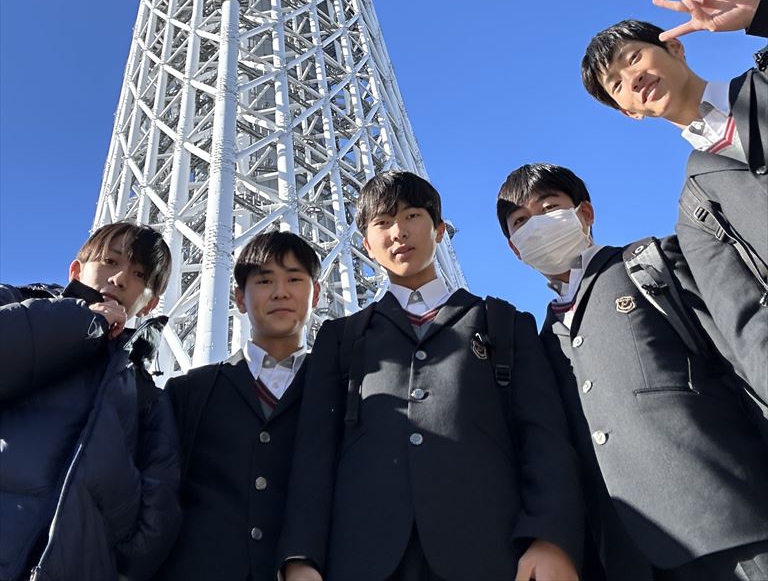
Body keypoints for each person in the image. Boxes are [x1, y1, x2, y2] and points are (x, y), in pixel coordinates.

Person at [279, 170, 583, 581]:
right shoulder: (341, 338)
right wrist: (301, 557)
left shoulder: (503, 322)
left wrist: (550, 536)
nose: (398, 232)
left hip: (489, 555)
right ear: (367, 244)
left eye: (412, 216)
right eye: (382, 222)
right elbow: (313, 454)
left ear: (439, 229)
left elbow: (543, 436)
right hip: (363, 559)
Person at [496, 162, 768, 581]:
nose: (536, 226)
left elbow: (740, 361)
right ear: (515, 249)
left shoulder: (650, 266)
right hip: (631, 557)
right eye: (520, 222)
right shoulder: (542, 342)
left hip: (732, 527)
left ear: (585, 212)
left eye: (549, 208)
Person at [580, 0, 767, 407]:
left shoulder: (763, 82)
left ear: (676, 48)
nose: (633, 78)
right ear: (629, 112)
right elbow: (747, 325)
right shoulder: (696, 213)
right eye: (616, 84)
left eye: (633, 58)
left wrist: (761, 12)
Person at [0, 221, 180, 581]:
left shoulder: (147, 397)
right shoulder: (17, 301)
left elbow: (156, 518)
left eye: (140, 274)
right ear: (76, 270)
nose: (120, 278)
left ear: (150, 303)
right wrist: (81, 322)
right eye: (110, 261)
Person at [157, 229, 321, 581]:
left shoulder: (343, 391)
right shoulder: (188, 392)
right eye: (264, 280)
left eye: (294, 279)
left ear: (316, 294)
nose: (280, 292)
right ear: (240, 299)